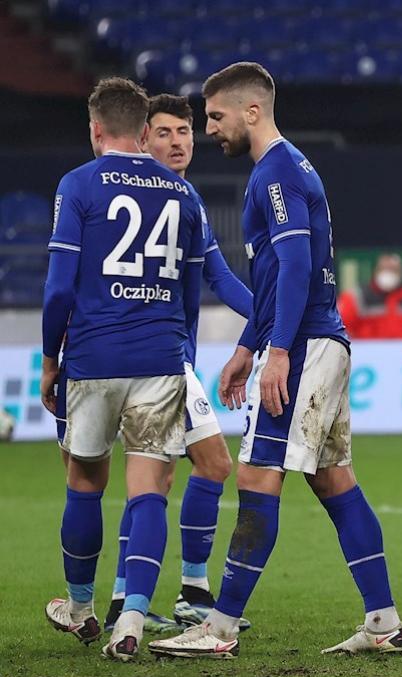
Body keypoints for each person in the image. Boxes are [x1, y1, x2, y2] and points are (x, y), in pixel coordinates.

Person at [148, 62, 402, 659]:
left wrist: (278, 352)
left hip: (307, 344)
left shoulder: (276, 172)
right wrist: (247, 347)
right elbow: (273, 278)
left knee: (257, 476)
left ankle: (219, 629)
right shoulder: (286, 168)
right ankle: (384, 621)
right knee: (334, 478)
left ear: (252, 111)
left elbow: (295, 269)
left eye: (215, 116)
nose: (209, 128)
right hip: (322, 340)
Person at [42, 77, 207, 661]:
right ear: (144, 131)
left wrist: (48, 359)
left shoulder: (78, 183)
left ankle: (83, 609)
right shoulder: (182, 194)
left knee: (85, 481)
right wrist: (180, 351)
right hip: (161, 359)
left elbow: (60, 286)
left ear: (95, 129)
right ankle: (132, 618)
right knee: (149, 493)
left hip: (92, 357)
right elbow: (191, 293)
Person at [99, 93, 256, 635]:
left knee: (170, 477)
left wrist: (273, 317)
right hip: (148, 359)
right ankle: (174, 592)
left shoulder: (185, 198)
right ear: (142, 138)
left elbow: (219, 277)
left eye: (185, 132)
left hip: (170, 361)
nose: (178, 142)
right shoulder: (143, 195)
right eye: (164, 132)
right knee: (182, 472)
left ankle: (140, 596)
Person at [337, 253, 402, 339]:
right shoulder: (355, 297)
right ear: (375, 271)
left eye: (393, 270)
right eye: (383, 269)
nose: (388, 273)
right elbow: (343, 329)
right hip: (367, 353)